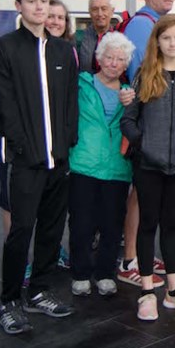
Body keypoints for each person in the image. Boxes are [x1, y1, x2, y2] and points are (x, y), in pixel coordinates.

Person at [0, 0, 78, 335]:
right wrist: (25, 148)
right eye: (32, 1)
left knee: (52, 231)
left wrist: (67, 143)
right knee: (21, 231)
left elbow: (69, 101)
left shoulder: (61, 51)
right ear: (19, 6)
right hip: (25, 161)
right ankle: (9, 301)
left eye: (44, 1)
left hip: (59, 160)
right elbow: (3, 107)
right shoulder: (5, 48)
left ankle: (40, 290)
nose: (40, 8)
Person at [121, 15, 175, 321]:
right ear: (157, 41)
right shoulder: (145, 75)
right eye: (166, 37)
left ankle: (174, 291)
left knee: (171, 226)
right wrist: (142, 143)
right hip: (148, 165)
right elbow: (128, 119)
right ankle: (146, 292)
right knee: (148, 225)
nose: (172, 43)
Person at [67, 33, 135, 298]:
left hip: (117, 168)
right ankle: (81, 273)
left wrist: (133, 106)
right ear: (99, 58)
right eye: (109, 56)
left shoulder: (130, 93)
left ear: (126, 64)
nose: (113, 63)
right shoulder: (81, 85)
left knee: (112, 224)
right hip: (83, 165)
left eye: (120, 59)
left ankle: (106, 272)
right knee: (81, 223)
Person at [119, 0, 175, 289]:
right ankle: (129, 259)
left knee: (144, 194)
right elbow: (146, 74)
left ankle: (139, 256)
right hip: (147, 122)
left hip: (151, 121)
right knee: (140, 194)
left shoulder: (155, 23)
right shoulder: (143, 25)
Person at [76, 0, 114, 73]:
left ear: (112, 11)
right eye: (95, 9)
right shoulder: (78, 38)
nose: (100, 14)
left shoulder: (120, 38)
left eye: (104, 9)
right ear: (89, 12)